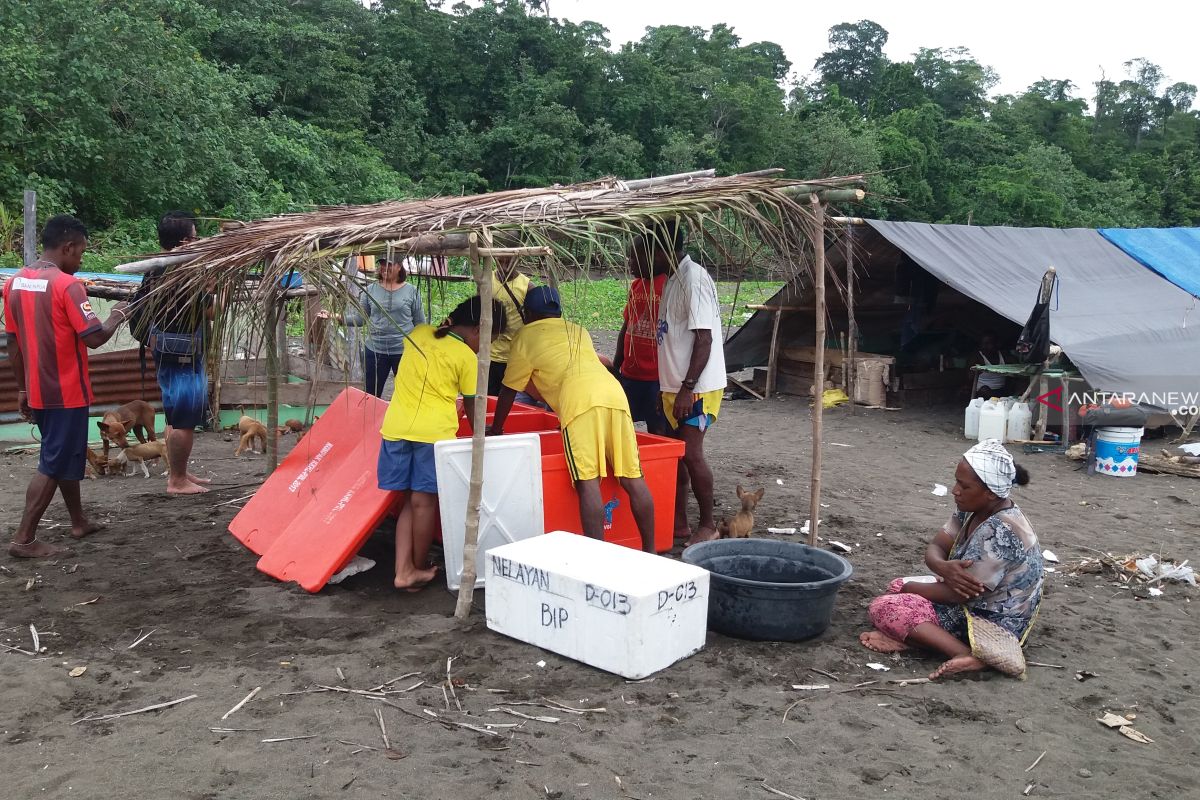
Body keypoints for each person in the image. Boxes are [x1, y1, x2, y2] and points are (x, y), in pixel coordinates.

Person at [489, 287, 657, 553]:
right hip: (615, 396)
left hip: (580, 404)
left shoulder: (525, 336)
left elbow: (509, 388)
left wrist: (496, 429)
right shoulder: (578, 329)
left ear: (528, 313)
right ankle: (651, 552)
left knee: (587, 480)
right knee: (633, 478)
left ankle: (595, 558)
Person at [860, 439, 1043, 679]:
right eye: (957, 481)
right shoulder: (972, 508)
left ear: (989, 492)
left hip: (993, 622)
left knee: (886, 605)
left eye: (963, 486)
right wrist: (942, 567)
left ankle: (969, 655)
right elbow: (937, 546)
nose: (955, 490)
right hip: (971, 600)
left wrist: (908, 588)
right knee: (897, 588)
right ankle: (917, 641)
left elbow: (959, 594)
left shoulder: (1000, 532)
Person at [3, 214, 128, 557]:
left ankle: (78, 521)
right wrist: (118, 313)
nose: (81, 260)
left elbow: (13, 343)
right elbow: (94, 338)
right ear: (68, 246)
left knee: (64, 455)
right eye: (81, 253)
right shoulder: (67, 286)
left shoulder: (14, 283)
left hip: (39, 391)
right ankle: (24, 539)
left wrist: (23, 388)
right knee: (53, 462)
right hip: (66, 393)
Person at [378, 296, 505, 590]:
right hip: (432, 435)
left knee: (409, 501)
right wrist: (482, 435)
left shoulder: (418, 333)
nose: (484, 346)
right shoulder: (467, 358)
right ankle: (419, 569)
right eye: (488, 339)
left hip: (396, 429)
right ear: (477, 330)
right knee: (424, 504)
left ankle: (403, 570)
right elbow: (474, 408)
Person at [650, 219, 726, 547]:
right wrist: (666, 387)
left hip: (697, 388)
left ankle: (708, 524)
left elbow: (704, 340)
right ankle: (678, 523)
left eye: (644, 251)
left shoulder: (693, 279)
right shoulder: (672, 279)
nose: (637, 259)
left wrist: (685, 388)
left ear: (662, 250)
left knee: (692, 454)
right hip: (675, 387)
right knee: (676, 456)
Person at [144, 211, 214, 495]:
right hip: (182, 349)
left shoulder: (154, 266)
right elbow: (210, 310)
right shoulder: (181, 272)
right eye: (195, 238)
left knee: (174, 415)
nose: (197, 242)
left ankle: (179, 472)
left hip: (166, 345)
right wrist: (215, 288)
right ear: (185, 241)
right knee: (185, 418)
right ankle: (177, 481)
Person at [321, 257, 425, 398]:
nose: (384, 268)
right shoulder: (370, 291)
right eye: (382, 264)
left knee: (408, 393)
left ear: (399, 266)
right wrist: (337, 316)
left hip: (403, 350)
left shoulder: (412, 291)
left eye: (389, 264)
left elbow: (420, 323)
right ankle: (371, 419)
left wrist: (423, 347)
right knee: (371, 394)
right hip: (376, 350)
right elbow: (360, 319)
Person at [613, 236, 668, 435]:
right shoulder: (636, 286)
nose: (630, 264)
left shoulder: (668, 286)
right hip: (631, 373)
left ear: (654, 257)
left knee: (658, 427)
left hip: (657, 377)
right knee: (622, 423)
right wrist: (617, 364)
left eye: (635, 259)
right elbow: (627, 326)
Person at [487, 256, 530, 396]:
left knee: (511, 401)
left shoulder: (527, 287)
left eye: (509, 261)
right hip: (490, 356)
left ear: (519, 260)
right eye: (501, 261)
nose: (505, 266)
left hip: (515, 358)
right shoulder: (486, 281)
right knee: (488, 400)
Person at [968, 332, 1008, 399]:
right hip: (984, 392)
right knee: (985, 389)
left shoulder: (1004, 356)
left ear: (997, 344)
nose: (984, 347)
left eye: (988, 343)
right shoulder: (977, 357)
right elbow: (969, 377)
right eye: (982, 344)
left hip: (1001, 390)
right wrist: (976, 370)